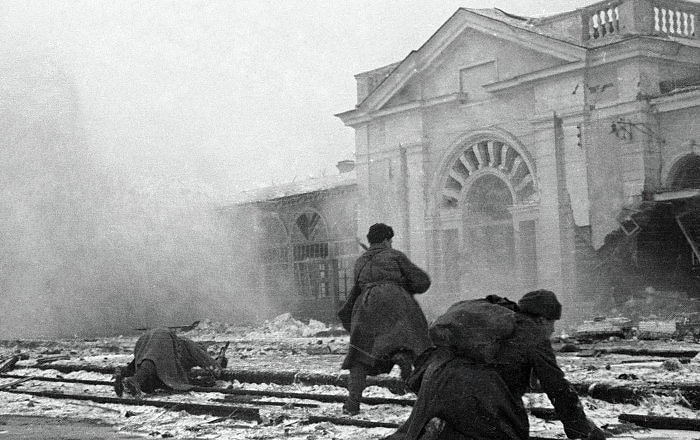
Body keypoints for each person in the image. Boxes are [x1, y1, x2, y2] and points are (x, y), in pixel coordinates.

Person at [385, 290, 607, 440]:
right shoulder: (532, 333)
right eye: (552, 324)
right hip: (479, 396)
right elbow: (556, 386)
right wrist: (580, 426)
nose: (553, 331)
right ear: (542, 319)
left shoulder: (497, 324)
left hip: (436, 383)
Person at [341, 223, 432, 415]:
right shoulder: (395, 255)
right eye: (390, 240)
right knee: (418, 347)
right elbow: (422, 281)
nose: (391, 243)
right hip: (397, 302)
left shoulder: (360, 261)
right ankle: (427, 400)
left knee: (360, 356)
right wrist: (401, 284)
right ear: (385, 240)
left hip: (366, 304)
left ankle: (352, 403)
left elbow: (356, 289)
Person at [113, 327, 225, 397]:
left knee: (144, 362)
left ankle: (122, 374)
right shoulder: (190, 345)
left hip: (145, 338)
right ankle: (135, 381)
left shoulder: (181, 344)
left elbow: (136, 363)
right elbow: (209, 363)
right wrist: (219, 364)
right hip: (163, 337)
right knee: (154, 361)